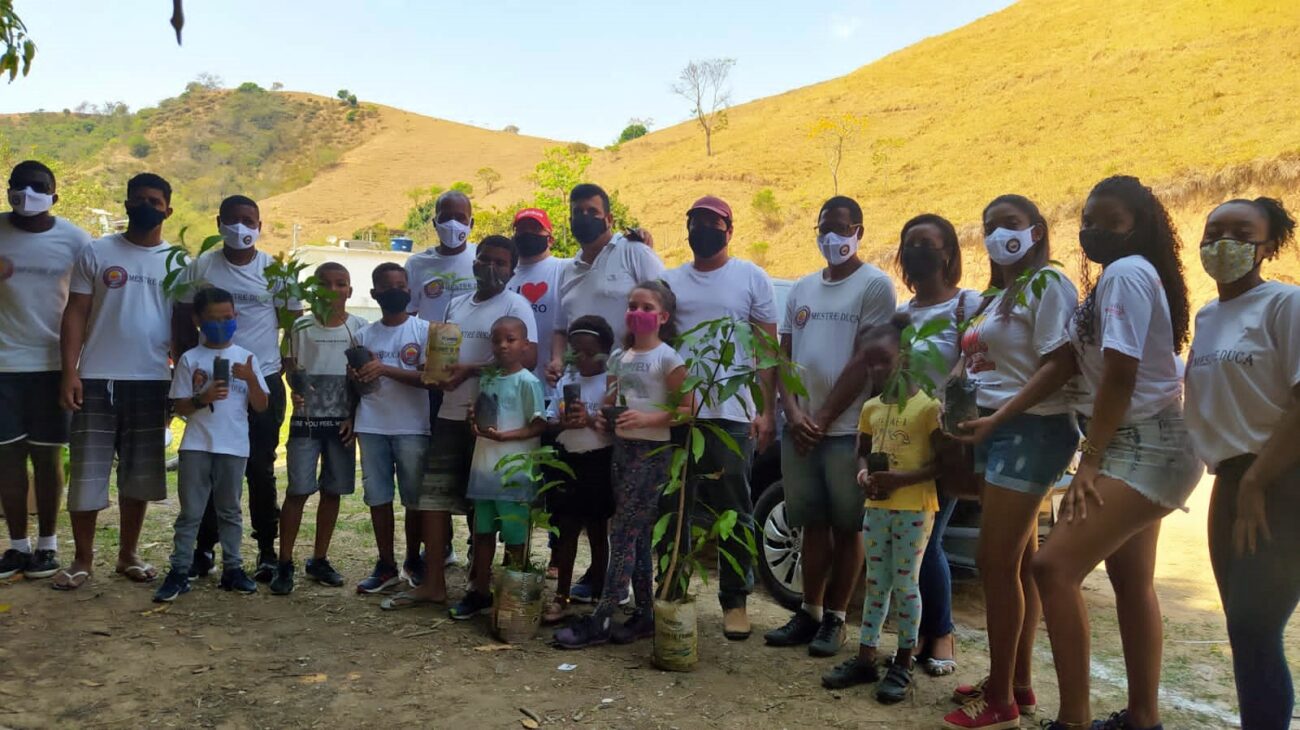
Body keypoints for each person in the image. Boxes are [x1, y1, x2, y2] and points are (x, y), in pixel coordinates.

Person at [1033, 176, 1200, 730]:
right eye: (1088, 220)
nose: (1094, 231)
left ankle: (1073, 720)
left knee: (1052, 567)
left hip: (1143, 444)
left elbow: (1121, 374)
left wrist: (1091, 459)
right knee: (1131, 583)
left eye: (1111, 222)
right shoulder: (1125, 274)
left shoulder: (1126, 273)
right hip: (1148, 439)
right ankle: (1143, 720)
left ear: (1138, 227)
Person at [942, 195, 1080, 730]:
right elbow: (978, 365)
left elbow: (1061, 363)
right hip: (994, 428)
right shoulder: (999, 295)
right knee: (1016, 562)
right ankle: (1016, 683)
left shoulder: (1049, 284)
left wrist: (999, 418)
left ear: (1037, 231)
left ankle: (999, 703)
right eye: (989, 226)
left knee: (994, 562)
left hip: (1030, 430)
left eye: (1010, 224)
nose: (998, 234)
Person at [1185, 197, 1300, 730]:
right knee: (1242, 628)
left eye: (1240, 233)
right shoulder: (1207, 316)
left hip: (1281, 480)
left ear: (1267, 246)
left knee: (1256, 626)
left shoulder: (1285, 303)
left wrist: (1258, 480)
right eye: (1213, 232)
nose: (1221, 243)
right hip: (1231, 479)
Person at [767, 196, 895, 654]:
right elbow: (782, 355)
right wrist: (792, 411)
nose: (832, 236)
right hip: (799, 429)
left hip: (847, 431)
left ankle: (836, 619)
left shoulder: (874, 285)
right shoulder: (802, 287)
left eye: (842, 227)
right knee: (810, 524)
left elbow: (866, 358)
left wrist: (821, 418)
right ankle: (810, 611)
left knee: (847, 526)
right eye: (824, 228)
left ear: (859, 230)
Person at [661, 195, 777, 640]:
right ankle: (671, 591)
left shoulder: (751, 276)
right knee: (675, 506)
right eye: (695, 222)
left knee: (735, 509)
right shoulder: (671, 280)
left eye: (713, 222)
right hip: (679, 414)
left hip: (732, 414)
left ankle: (735, 601)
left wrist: (766, 410)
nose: (703, 229)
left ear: (730, 229)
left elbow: (767, 349)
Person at [554, 281, 691, 648]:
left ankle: (603, 615)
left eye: (647, 308)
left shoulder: (668, 358)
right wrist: (603, 419)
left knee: (624, 533)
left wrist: (647, 419)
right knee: (638, 534)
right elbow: (611, 404)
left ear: (663, 317)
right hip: (622, 452)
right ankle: (644, 613)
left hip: (652, 454)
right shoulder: (618, 358)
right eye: (632, 306)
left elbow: (687, 408)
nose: (637, 313)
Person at [403, 235, 536, 615]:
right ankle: (434, 584)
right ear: (474, 262)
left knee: (483, 507)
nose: (489, 267)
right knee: (434, 501)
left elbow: (528, 357)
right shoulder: (457, 303)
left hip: (492, 420)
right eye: (484, 259)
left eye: (500, 262)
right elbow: (445, 353)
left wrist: (469, 371)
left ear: (512, 270)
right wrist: (435, 369)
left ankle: (481, 586)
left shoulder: (516, 305)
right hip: (449, 411)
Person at [56, 173, 175, 591]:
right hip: (96, 378)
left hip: (153, 380)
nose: (146, 205)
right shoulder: (97, 251)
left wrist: (180, 381)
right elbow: (75, 312)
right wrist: (69, 371)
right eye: (138, 198)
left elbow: (183, 323)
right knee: (88, 473)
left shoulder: (178, 262)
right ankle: (82, 559)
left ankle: (128, 555)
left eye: (154, 201)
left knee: (139, 475)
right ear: (126, 204)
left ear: (168, 210)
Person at [173, 195, 299, 582]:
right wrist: (188, 362)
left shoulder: (276, 271)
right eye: (233, 219)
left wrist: (285, 367)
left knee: (260, 467)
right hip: (212, 380)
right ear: (219, 222)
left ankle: (266, 550)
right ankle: (204, 549)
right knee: (213, 463)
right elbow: (182, 316)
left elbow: (292, 323)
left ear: (260, 226)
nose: (241, 227)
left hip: (261, 378)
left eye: (249, 220)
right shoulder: (201, 266)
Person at [821, 313, 941, 705]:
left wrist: (902, 480)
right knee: (876, 583)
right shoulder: (871, 407)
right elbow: (862, 452)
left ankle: (904, 661)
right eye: (868, 362)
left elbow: (942, 464)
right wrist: (863, 476)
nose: (875, 369)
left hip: (913, 509)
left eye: (883, 361)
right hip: (877, 508)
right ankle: (866, 657)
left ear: (904, 357)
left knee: (905, 585)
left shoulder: (928, 408)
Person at [894, 213, 982, 676]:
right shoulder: (902, 313)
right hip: (906, 438)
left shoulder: (968, 305)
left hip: (947, 439)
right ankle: (924, 633)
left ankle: (941, 633)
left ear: (948, 253)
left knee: (928, 540)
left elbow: (981, 364)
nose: (918, 253)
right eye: (910, 244)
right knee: (915, 541)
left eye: (928, 244)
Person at [0, 161, 92, 581]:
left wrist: (75, 368)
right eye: (17, 186)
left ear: (55, 194)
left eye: (37, 186)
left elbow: (87, 304)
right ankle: (17, 546)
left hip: (53, 366)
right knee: (8, 458)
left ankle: (48, 546)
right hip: (4, 366)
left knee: (47, 456)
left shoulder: (76, 240)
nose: (26, 193)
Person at [154, 287, 269, 601]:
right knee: (190, 513)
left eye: (227, 318)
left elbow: (261, 405)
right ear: (198, 320)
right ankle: (179, 570)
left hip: (234, 446)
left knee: (230, 510)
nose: (222, 324)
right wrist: (201, 398)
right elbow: (178, 405)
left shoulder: (246, 357)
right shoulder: (191, 359)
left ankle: (233, 569)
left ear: (236, 316)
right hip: (196, 446)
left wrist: (250, 379)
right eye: (213, 319)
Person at [270, 262, 366, 595]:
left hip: (342, 425)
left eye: (341, 283)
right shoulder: (300, 327)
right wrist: (295, 389)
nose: (333, 290)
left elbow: (362, 380)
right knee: (298, 490)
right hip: (306, 423)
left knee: (332, 491)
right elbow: (290, 367)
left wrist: (354, 416)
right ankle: (284, 562)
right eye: (325, 283)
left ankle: (319, 558)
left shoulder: (359, 329)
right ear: (313, 289)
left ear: (350, 290)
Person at [453, 316, 546, 613]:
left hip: (514, 474)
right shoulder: (488, 379)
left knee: (515, 538)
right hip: (484, 469)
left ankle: (513, 597)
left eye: (511, 339)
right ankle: (479, 591)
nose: (503, 345)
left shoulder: (528, 382)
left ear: (525, 345)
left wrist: (507, 437)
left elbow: (539, 424)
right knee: (482, 533)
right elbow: (483, 417)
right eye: (497, 340)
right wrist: (474, 422)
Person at [349, 263, 431, 595]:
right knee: (378, 497)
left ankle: (413, 561)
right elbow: (357, 386)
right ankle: (385, 565)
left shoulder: (425, 331)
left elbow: (430, 378)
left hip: (413, 426)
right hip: (371, 425)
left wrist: (384, 368)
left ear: (409, 291)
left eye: (401, 285)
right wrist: (358, 379)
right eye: (387, 286)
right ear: (375, 294)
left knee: (414, 499)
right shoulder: (363, 335)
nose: (395, 291)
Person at [547, 183, 664, 384]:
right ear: (571, 221)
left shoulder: (634, 252)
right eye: (578, 212)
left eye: (593, 211)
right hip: (581, 384)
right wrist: (557, 360)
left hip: (631, 380)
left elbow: (665, 303)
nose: (585, 217)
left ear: (609, 219)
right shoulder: (568, 270)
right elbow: (560, 329)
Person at [542, 316, 616, 624]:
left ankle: (599, 594)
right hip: (567, 462)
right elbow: (549, 421)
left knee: (598, 531)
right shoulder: (566, 380)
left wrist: (589, 419)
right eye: (576, 352)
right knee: (567, 530)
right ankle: (562, 596)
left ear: (606, 352)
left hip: (598, 461)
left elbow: (614, 426)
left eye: (590, 352)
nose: (582, 358)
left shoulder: (611, 382)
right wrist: (562, 422)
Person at [507, 208, 567, 398]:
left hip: (553, 387)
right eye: (521, 230)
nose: (527, 234)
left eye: (534, 229)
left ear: (550, 239)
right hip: (510, 388)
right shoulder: (505, 274)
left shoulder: (566, 268)